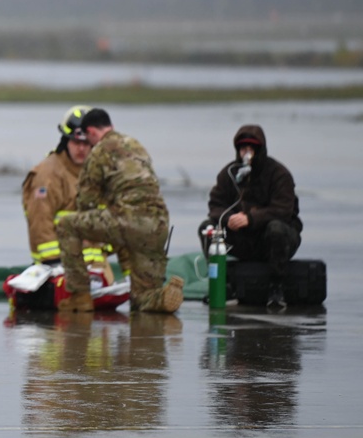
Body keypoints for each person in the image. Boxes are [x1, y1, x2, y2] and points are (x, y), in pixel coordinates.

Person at [55, 108, 184, 313]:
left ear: (91, 132)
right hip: (158, 224)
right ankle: (161, 298)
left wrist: (91, 235)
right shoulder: (136, 145)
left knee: (66, 225)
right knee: (142, 296)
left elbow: (87, 202)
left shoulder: (99, 151)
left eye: (88, 139)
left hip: (127, 221)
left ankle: (79, 296)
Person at [199, 124, 301, 308]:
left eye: (251, 148)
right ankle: (224, 286)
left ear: (260, 150)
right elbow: (215, 204)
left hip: (273, 240)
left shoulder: (279, 174)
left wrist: (250, 218)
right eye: (243, 148)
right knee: (208, 228)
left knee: (276, 228)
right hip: (242, 239)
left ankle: (276, 287)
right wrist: (229, 217)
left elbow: (283, 209)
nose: (247, 152)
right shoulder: (229, 173)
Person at [21, 105, 105, 267]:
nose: (81, 148)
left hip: (95, 266)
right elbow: (40, 221)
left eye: (86, 143)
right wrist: (54, 263)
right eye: (75, 142)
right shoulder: (48, 174)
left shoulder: (97, 172)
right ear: (66, 140)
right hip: (59, 268)